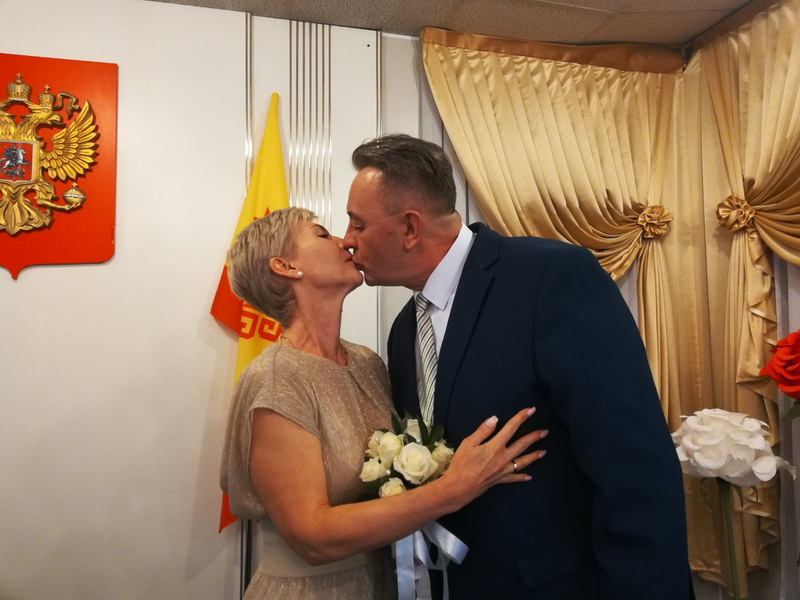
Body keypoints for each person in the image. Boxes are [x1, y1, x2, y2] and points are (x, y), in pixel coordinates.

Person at [343, 134, 692, 599]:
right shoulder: (404, 328)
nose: (347, 241)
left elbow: (635, 469)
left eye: (358, 224)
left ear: (410, 227)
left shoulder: (550, 278)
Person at [219, 206, 547, 599]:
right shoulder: (276, 377)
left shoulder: (368, 362)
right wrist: (454, 488)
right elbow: (311, 537)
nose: (345, 241)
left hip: (385, 582)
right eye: (322, 234)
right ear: (286, 266)